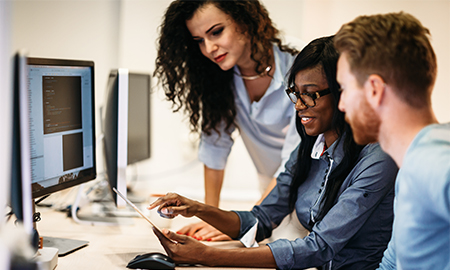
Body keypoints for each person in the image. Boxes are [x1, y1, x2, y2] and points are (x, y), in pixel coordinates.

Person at [149, 36, 399, 269]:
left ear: (344, 94)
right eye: (296, 94)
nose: (300, 106)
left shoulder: (378, 158)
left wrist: (206, 256)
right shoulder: (310, 147)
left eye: (310, 95)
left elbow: (320, 247)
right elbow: (261, 218)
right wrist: (197, 208)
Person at [153, 0, 303, 241]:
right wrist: (210, 217)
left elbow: (293, 161)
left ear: (244, 20)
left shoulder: (300, 62)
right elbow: (215, 148)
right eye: (199, 41)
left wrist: (243, 223)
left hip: (307, 188)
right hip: (268, 188)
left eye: (216, 32)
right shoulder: (220, 76)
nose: (209, 48)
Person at [335, 12, 450, 270]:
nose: (341, 105)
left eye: (344, 89)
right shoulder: (412, 164)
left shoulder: (430, 163)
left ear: (374, 89)